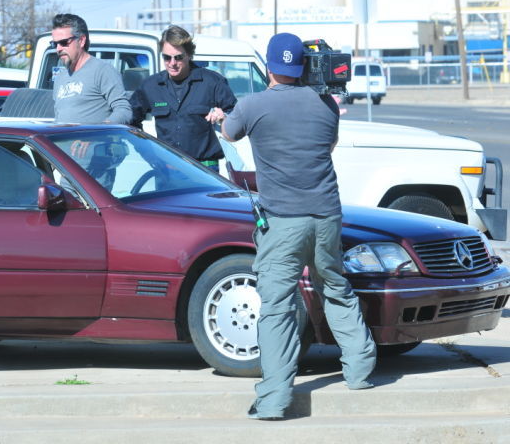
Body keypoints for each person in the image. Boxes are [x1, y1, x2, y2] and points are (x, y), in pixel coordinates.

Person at [217, 32, 377, 420]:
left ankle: (273, 400)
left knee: (276, 306)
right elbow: (330, 145)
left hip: (284, 221)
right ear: (303, 65)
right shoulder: (327, 105)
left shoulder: (253, 105)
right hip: (326, 215)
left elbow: (229, 132)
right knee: (335, 287)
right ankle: (359, 372)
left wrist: (226, 118)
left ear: (269, 66)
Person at [130, 25, 236, 172]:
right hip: (166, 170)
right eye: (167, 57)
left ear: (189, 55)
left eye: (178, 57)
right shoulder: (151, 86)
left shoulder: (212, 82)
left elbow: (237, 116)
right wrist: (150, 155)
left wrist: (224, 117)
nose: (172, 63)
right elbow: (130, 121)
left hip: (205, 171)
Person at [51, 13, 132, 125]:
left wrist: (98, 133)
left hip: (96, 141)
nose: (58, 49)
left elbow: (124, 110)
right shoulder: (60, 78)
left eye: (64, 42)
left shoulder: (103, 71)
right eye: (55, 44)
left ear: (81, 40)